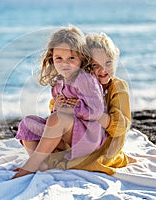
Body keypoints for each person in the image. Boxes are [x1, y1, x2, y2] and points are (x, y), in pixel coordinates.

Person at [12, 25, 106, 179]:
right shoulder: (58, 82)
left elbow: (96, 111)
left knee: (57, 119)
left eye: (71, 58)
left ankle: (32, 165)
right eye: (59, 58)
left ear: (82, 58)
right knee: (27, 123)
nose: (65, 63)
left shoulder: (84, 79)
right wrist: (56, 107)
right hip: (68, 136)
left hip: (88, 138)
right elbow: (58, 119)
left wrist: (76, 107)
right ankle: (40, 163)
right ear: (52, 58)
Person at [46, 32, 133, 175]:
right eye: (95, 65)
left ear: (115, 59)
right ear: (84, 64)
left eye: (108, 63)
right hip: (77, 140)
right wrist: (59, 106)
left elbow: (121, 127)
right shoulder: (77, 83)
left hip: (103, 145)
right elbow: (55, 110)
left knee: (79, 163)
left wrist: (89, 110)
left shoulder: (117, 87)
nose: (103, 70)